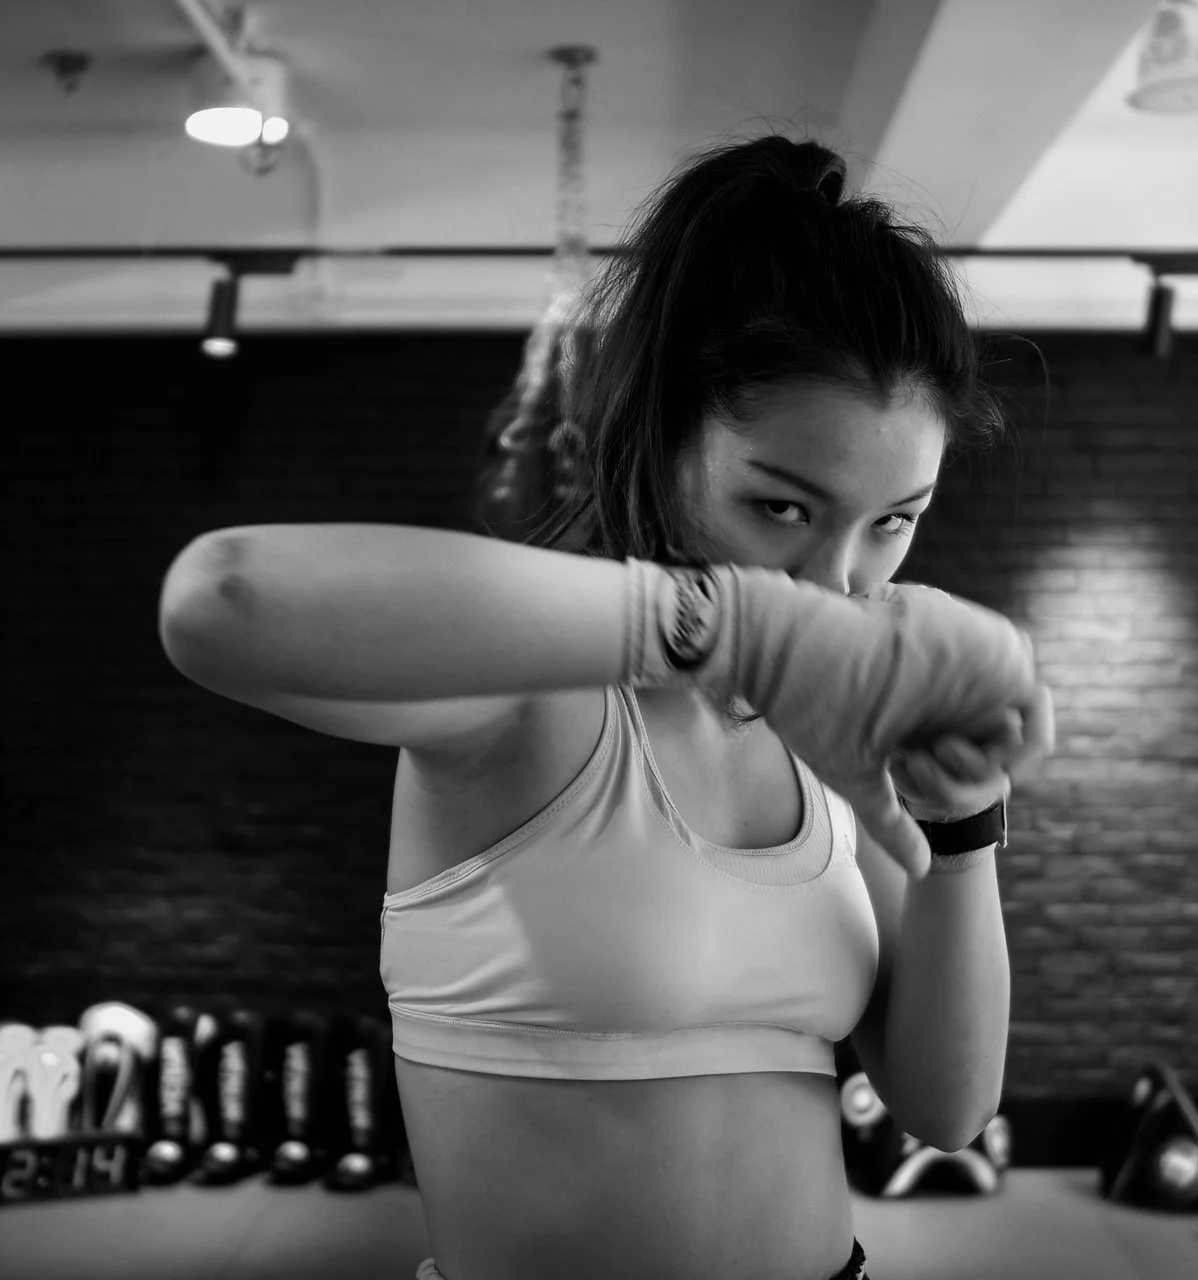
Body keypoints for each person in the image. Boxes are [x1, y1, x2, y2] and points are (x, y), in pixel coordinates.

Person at [158, 135, 1055, 1280]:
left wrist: (964, 827)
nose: (837, 584)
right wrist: (730, 626)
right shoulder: (531, 695)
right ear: (665, 428)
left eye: (894, 518)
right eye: (782, 507)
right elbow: (217, 600)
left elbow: (945, 1105)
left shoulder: (822, 739)